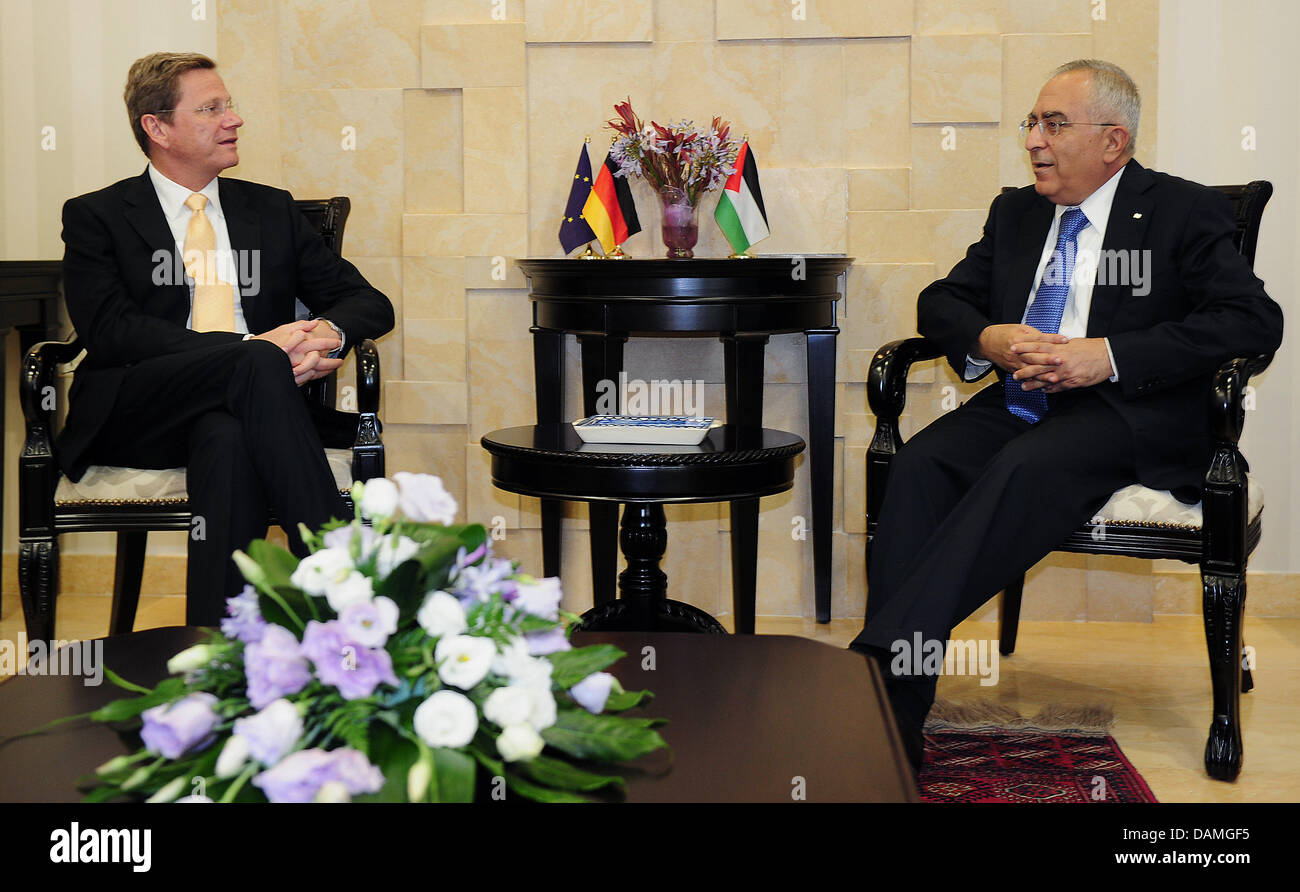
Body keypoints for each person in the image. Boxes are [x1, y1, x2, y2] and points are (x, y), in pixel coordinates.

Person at [848, 59, 1283, 775]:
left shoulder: (1180, 210)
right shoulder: (1016, 212)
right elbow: (941, 301)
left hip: (1127, 407)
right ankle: (894, 717)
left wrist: (1107, 355)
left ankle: (873, 661)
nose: (1033, 140)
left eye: (1054, 124)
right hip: (1022, 397)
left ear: (1114, 141)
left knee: (1026, 466)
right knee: (922, 464)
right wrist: (989, 339)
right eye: (1032, 122)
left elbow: (1252, 322)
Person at [59, 52, 394, 625]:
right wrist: (252, 350)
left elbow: (370, 302)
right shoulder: (98, 215)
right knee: (256, 361)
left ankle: (221, 646)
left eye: (229, 105)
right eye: (211, 108)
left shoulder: (270, 209)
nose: (233, 119)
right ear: (157, 127)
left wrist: (327, 334)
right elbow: (112, 331)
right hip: (142, 415)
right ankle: (340, 589)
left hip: (251, 413)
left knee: (228, 438)